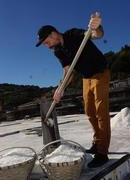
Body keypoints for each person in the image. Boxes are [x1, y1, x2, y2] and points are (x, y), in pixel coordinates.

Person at [35, 12, 110, 168]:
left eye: (46, 41)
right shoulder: (58, 51)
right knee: (90, 113)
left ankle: (102, 153)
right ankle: (97, 143)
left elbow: (95, 35)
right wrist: (60, 88)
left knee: (100, 111)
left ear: (53, 34)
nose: (47, 45)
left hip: (100, 72)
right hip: (86, 78)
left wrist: (97, 27)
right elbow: (68, 72)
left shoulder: (73, 34)